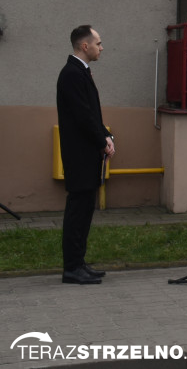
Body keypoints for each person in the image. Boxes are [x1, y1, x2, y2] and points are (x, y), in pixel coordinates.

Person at [56, 25, 116, 284]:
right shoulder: (71, 74)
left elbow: (92, 113)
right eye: (98, 43)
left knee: (84, 211)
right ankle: (71, 268)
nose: (101, 47)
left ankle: (79, 263)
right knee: (77, 212)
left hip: (87, 154)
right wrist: (101, 140)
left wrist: (106, 135)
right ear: (85, 46)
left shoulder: (80, 72)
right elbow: (82, 115)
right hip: (79, 155)